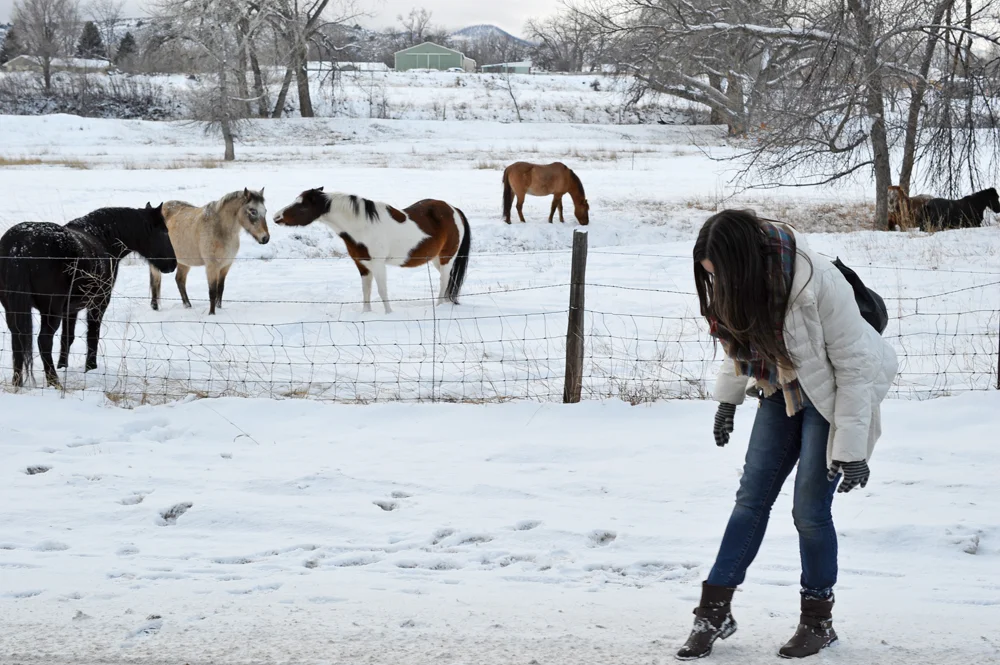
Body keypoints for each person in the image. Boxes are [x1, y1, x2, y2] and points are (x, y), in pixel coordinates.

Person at [677, 210, 898, 660]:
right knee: (750, 498)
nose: (717, 285)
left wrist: (852, 448)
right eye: (710, 277)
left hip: (835, 393)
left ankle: (819, 621)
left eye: (720, 275)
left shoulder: (813, 280)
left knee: (809, 511)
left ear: (743, 261)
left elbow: (856, 367)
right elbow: (741, 340)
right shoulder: (736, 282)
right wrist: (728, 399)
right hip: (783, 389)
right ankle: (714, 613)